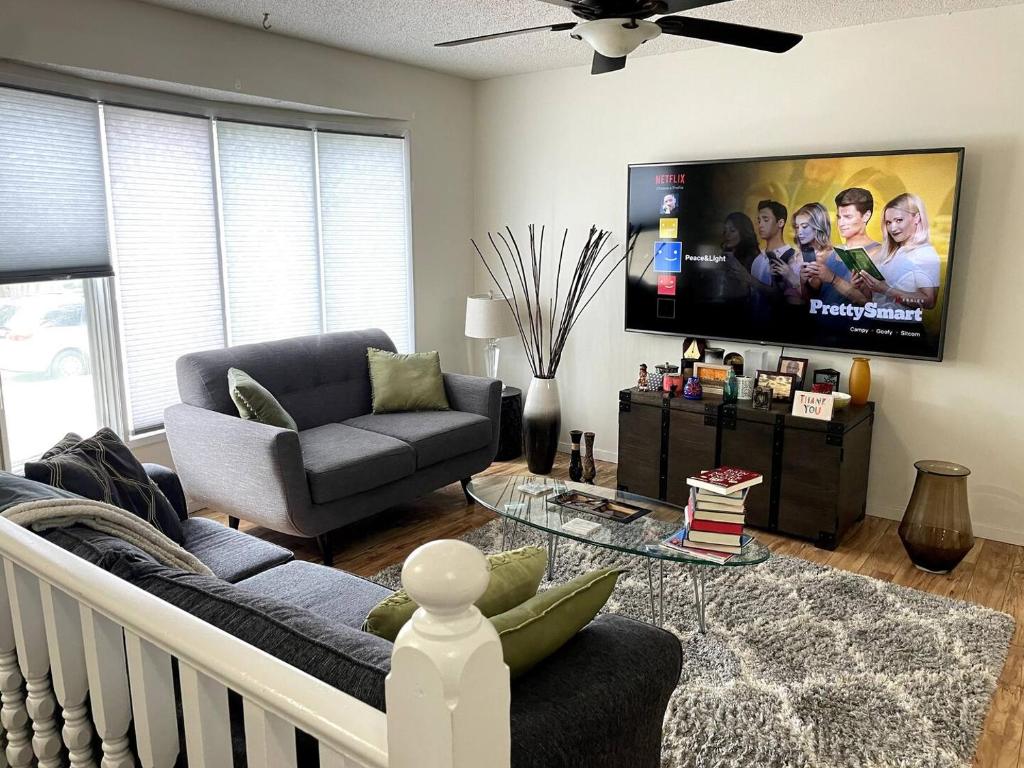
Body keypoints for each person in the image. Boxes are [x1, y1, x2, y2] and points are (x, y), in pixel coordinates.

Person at [853, 193, 939, 310]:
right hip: (875, 323)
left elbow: (929, 302)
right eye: (888, 222)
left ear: (917, 218)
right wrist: (862, 286)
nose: (892, 228)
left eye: (898, 220)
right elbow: (874, 299)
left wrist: (886, 290)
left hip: (903, 327)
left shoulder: (924, 254)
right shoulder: (888, 253)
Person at [794, 202, 864, 305]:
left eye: (804, 226)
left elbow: (863, 300)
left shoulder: (841, 255)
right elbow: (807, 303)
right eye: (797, 227)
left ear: (819, 226)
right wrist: (803, 283)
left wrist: (835, 279)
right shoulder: (796, 258)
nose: (799, 232)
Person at [750, 200, 798, 290]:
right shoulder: (757, 259)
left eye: (766, 220)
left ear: (780, 223)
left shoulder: (793, 257)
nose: (760, 225)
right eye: (759, 220)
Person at [834, 187, 882, 256]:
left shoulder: (880, 252)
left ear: (866, 216)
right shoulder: (833, 252)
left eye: (848, 217)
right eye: (839, 217)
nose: (840, 223)